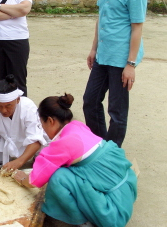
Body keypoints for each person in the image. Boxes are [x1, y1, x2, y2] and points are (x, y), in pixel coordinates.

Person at [12, 93, 137, 227]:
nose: (42, 129)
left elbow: (34, 181)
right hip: (126, 193)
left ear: (50, 121)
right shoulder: (78, 126)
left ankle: (83, 222)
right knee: (67, 170)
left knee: (59, 177)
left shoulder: (62, 143)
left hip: (112, 213)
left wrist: (21, 178)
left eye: (42, 124)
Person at [83, 0, 147, 147]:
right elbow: (101, 18)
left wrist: (131, 64)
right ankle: (100, 146)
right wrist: (94, 48)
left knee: (117, 111)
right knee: (90, 102)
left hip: (121, 57)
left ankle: (112, 153)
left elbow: (137, 27)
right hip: (103, 54)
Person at [0, 75, 47, 177]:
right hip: (3, 140)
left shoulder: (28, 106)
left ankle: (34, 157)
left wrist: (19, 162)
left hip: (25, 140)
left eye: (8, 105)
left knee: (46, 142)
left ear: (17, 100)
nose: (3, 110)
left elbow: (35, 138)